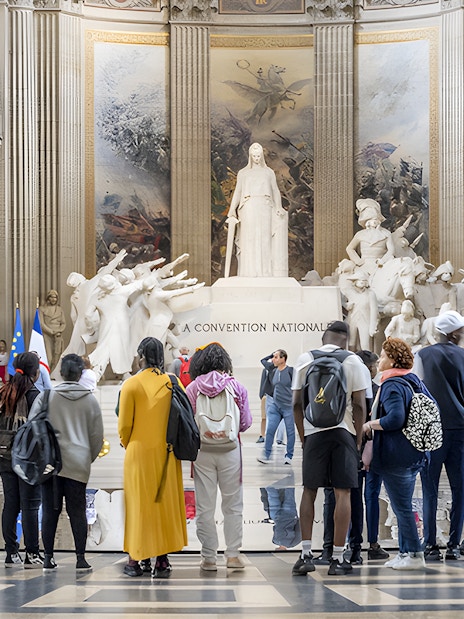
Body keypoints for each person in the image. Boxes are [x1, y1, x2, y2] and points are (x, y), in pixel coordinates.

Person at [291, 321, 368, 576]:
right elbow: (358, 404)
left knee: (309, 491)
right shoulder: (353, 361)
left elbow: (295, 404)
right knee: (342, 492)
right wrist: (357, 439)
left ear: (323, 338)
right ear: (344, 340)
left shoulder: (305, 358)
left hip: (314, 433)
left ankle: (305, 555)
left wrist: (304, 437)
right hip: (343, 431)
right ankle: (337, 558)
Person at [118, 337, 187, 578]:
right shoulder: (173, 382)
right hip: (167, 454)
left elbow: (125, 426)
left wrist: (129, 444)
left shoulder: (131, 385)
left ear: (141, 356)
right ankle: (162, 561)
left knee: (139, 506)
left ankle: (135, 560)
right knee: (162, 505)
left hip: (138, 454)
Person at [29, 353, 104, 571]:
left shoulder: (47, 396)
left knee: (49, 511)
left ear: (61, 373)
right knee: (77, 510)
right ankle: (80, 558)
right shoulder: (90, 399)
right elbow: (97, 437)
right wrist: (87, 458)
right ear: (81, 373)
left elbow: (34, 426)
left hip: (51, 463)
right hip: (78, 464)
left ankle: (48, 557)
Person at [362, 337, 429, 570]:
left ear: (392, 360)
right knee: (403, 504)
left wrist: (371, 424)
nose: (379, 359)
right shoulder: (412, 380)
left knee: (401, 507)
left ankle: (414, 554)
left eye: (382, 355)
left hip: (396, 454)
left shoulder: (391, 385)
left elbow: (395, 419)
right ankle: (403, 552)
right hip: (413, 453)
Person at [186, 342, 252, 570]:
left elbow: (187, 424)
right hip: (231, 451)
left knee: (205, 506)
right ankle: (233, 555)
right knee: (233, 505)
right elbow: (245, 423)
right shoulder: (237, 387)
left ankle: (209, 558)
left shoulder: (193, 388)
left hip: (202, 452)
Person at [413, 310, 464, 561]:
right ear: (454, 333)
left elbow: (416, 390)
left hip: (431, 430)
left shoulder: (421, 355)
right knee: (460, 488)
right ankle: (454, 544)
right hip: (460, 429)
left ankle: (430, 545)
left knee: (429, 487)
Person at [0, 353, 42, 568]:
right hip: (28, 459)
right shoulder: (37, 395)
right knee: (30, 506)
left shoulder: (4, 391)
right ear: (36, 373)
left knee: (11, 505)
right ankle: (32, 553)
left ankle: (10, 552)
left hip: (5, 456)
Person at [225, 142, 288, 278]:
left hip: (265, 206)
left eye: (258, 156)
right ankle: (248, 272)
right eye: (254, 156)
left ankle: (264, 271)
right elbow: (238, 192)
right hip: (248, 207)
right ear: (250, 156)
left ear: (262, 156)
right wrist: (232, 210)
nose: (257, 158)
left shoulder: (268, 172)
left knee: (264, 238)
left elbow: (275, 190)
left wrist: (278, 206)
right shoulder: (243, 173)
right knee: (249, 239)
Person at [257, 350, 295, 465]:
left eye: (276, 357)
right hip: (275, 406)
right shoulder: (273, 370)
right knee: (270, 430)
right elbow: (263, 361)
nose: (273, 359)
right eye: (273, 357)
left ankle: (289, 456)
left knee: (290, 432)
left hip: (288, 406)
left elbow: (297, 387)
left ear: (283, 359)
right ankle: (267, 455)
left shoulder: (290, 371)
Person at [346, 199, 395, 274]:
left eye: (376, 219)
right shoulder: (360, 234)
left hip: (381, 264)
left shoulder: (386, 233)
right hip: (364, 265)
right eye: (371, 219)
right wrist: (358, 261)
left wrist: (383, 261)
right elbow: (349, 248)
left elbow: (391, 250)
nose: (374, 221)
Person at [39, 290, 66, 372]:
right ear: (48, 298)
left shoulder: (59, 309)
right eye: (52, 297)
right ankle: (47, 373)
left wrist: (59, 331)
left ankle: (54, 374)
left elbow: (63, 323)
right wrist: (51, 332)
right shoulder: (42, 309)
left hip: (58, 335)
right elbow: (41, 324)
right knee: (49, 357)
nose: (54, 299)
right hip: (48, 335)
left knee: (57, 356)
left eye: (55, 297)